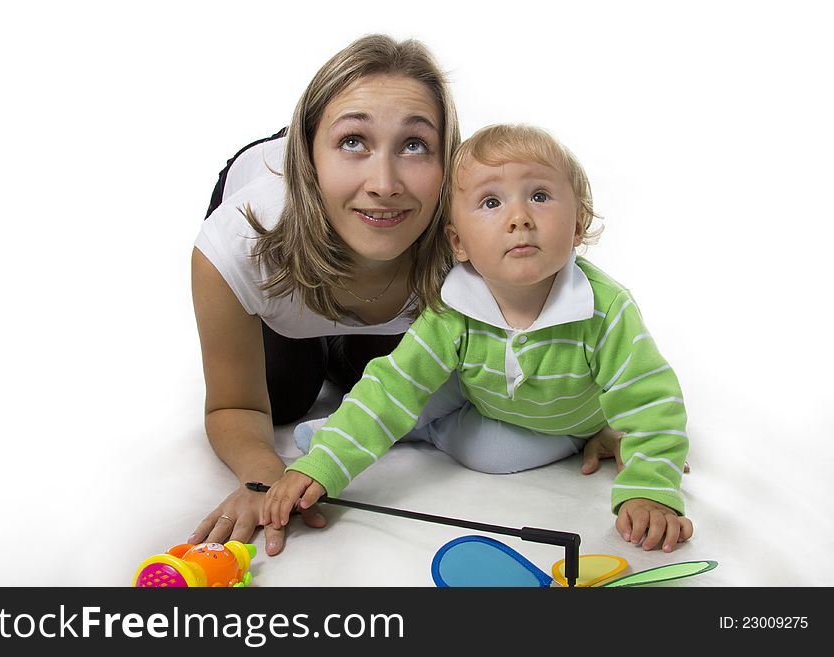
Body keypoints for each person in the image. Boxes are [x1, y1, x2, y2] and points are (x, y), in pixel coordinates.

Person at [190, 35, 621, 557]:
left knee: (390, 382)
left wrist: (598, 415)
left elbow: (570, 314)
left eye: (415, 145)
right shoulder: (238, 239)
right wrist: (265, 478)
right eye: (353, 141)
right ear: (306, 155)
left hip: (397, 259)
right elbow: (233, 403)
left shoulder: (468, 235)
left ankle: (344, 332)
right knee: (284, 397)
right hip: (286, 234)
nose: (385, 182)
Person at [262, 124, 693, 553]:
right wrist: (322, 466)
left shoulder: (604, 309)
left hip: (551, 420)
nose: (519, 217)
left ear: (578, 226)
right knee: (407, 392)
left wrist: (649, 489)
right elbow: (392, 384)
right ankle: (346, 440)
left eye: (539, 196)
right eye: (491, 202)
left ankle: (424, 432)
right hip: (474, 384)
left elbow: (651, 402)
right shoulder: (454, 304)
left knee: (489, 455)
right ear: (459, 242)